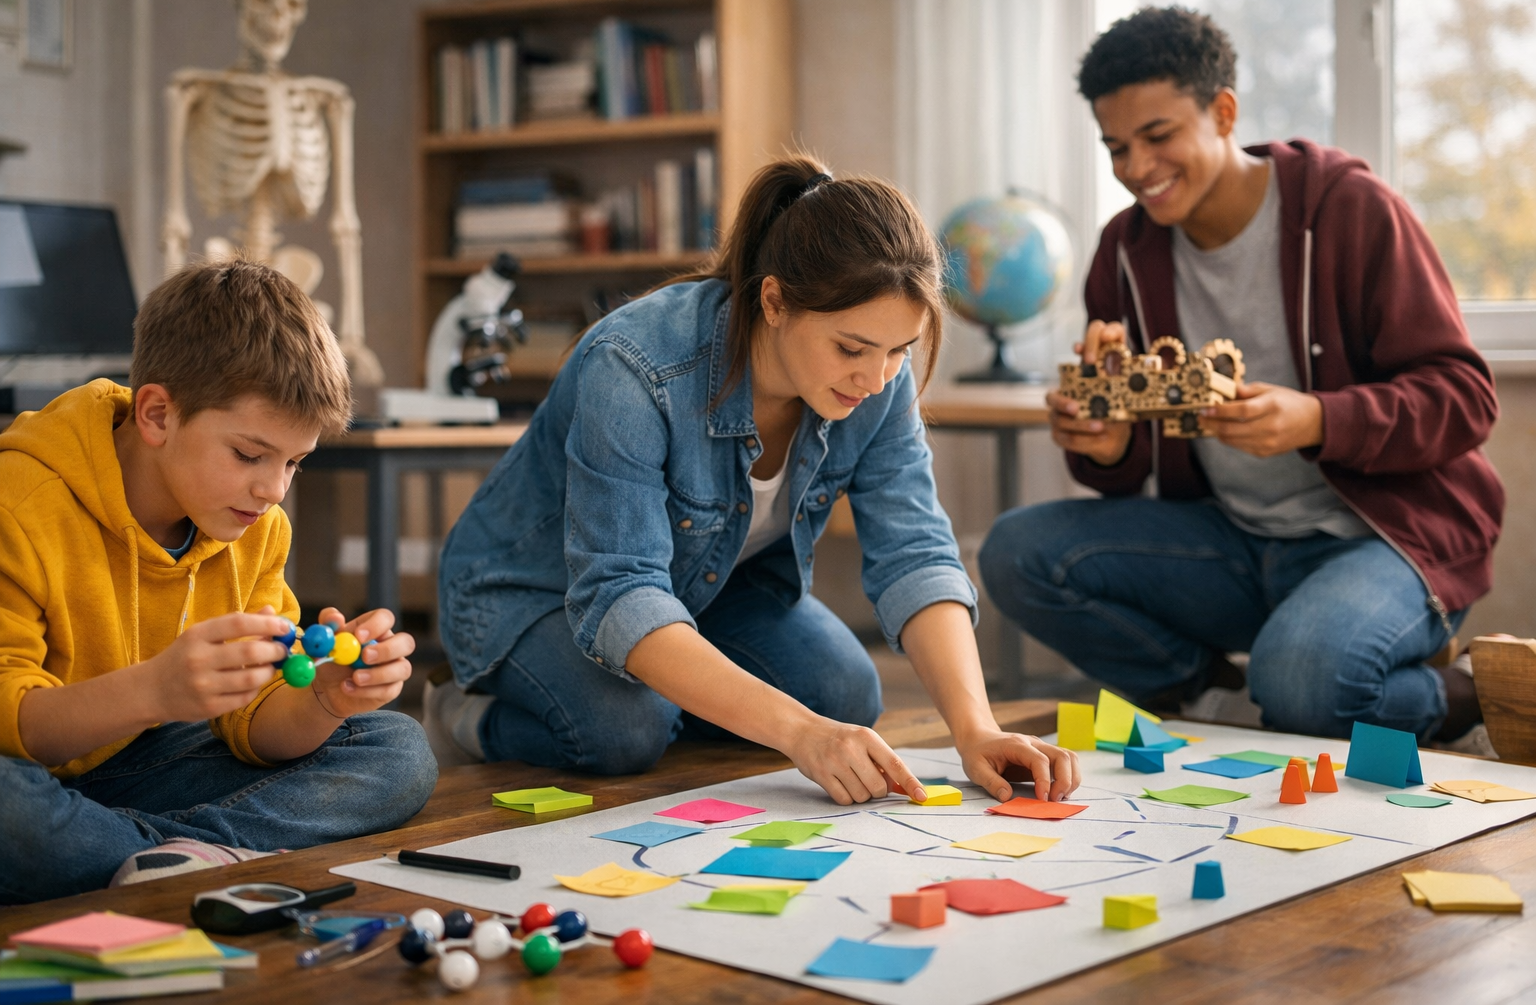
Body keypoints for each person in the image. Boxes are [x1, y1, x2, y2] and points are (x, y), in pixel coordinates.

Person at [429, 156, 1079, 806]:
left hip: (706, 589)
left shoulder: (877, 377)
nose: (876, 379)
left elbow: (915, 551)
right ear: (774, 301)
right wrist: (799, 733)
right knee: (623, 730)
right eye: (851, 349)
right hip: (530, 590)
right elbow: (620, 591)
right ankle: (466, 713)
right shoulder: (635, 367)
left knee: (845, 694)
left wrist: (975, 729)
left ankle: (676, 690)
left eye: (899, 351)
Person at [980, 7, 1503, 748]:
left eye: (1158, 137)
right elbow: (1128, 471)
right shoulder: (1123, 252)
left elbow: (1465, 396)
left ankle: (1464, 695)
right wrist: (1103, 445)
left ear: (1223, 112)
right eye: (1116, 147)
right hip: (1229, 540)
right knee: (1015, 552)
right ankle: (1213, 699)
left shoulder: (1351, 209)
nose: (1135, 169)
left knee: (1305, 687)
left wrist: (1320, 419)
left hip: (1382, 540)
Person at [0, 260, 436, 904]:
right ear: (156, 415)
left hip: (138, 771)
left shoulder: (255, 526)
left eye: (294, 462)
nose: (273, 489)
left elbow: (253, 723)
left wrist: (325, 700)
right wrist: (155, 691)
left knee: (395, 748)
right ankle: (191, 856)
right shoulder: (22, 502)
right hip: (26, 771)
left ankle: (169, 855)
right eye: (249, 454)